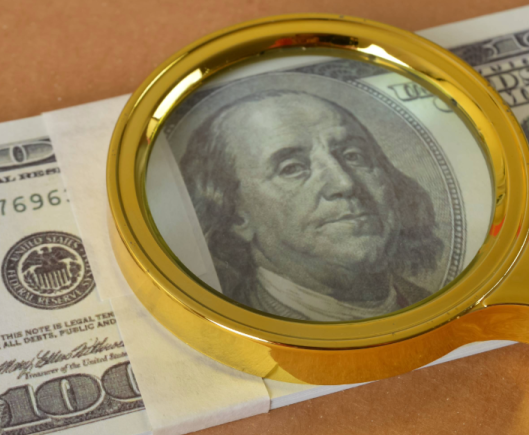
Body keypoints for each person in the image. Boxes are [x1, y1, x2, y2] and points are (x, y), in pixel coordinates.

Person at [179, 89, 444, 322]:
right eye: (292, 168)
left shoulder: (435, 304)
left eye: (354, 156)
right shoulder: (230, 323)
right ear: (236, 216)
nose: (344, 183)